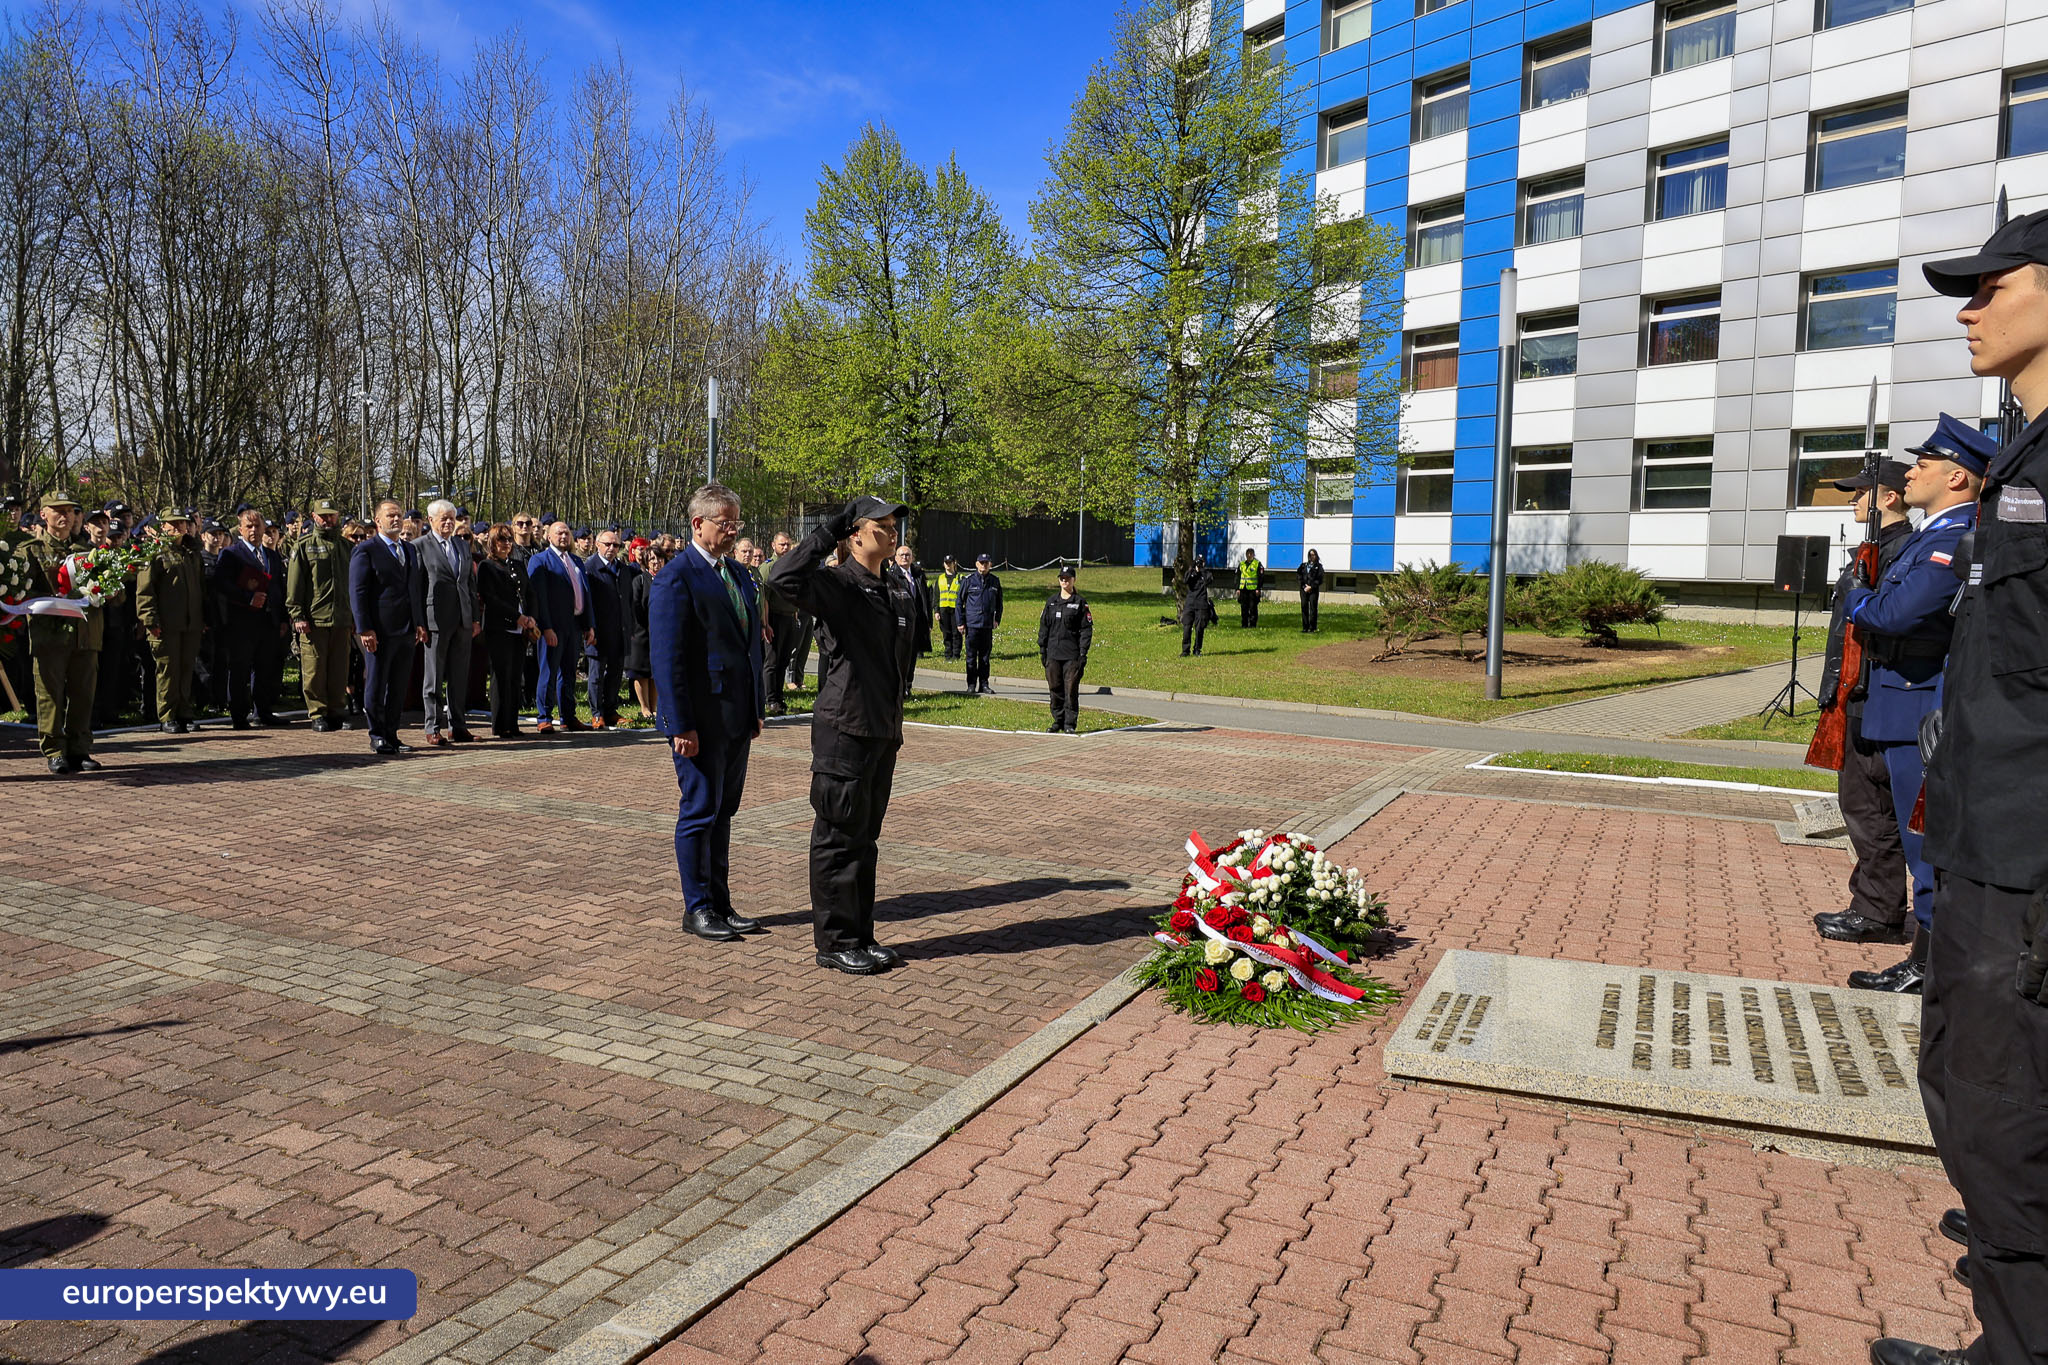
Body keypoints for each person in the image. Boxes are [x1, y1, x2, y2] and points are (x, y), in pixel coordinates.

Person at [1881, 212, 2048, 1365]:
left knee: (2002, 1117)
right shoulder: (2025, 456)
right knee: (1978, 1097)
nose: (1967, 306)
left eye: (1992, 284)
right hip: (1988, 845)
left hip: (2028, 864)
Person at [1833, 419, 1992, 997]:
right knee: (1913, 833)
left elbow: (1897, 614)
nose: (1912, 471)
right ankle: (1927, 957)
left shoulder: (1954, 535)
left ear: (1957, 477)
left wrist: (1857, 598)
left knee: (1925, 844)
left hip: (1918, 704)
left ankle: (1931, 964)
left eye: (1925, 464)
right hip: (1901, 703)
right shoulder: (1935, 533)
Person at [767, 495, 919, 975]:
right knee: (837, 837)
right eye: (882, 525)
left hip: (880, 731)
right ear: (855, 534)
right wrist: (828, 529)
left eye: (896, 525)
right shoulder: (837, 585)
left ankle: (860, 933)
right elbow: (779, 579)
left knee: (865, 840)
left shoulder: (893, 588)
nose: (892, 532)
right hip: (844, 732)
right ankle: (834, 941)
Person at [650, 484, 766, 944]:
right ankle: (696, 907)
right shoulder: (675, 577)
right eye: (725, 522)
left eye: (737, 522)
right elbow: (668, 659)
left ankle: (720, 901)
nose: (733, 529)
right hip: (699, 719)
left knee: (723, 812)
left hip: (736, 716)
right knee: (699, 811)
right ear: (698, 524)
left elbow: (750, 648)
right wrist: (680, 724)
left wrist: (756, 707)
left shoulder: (736, 574)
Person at [1810, 459, 1918, 952]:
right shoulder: (1868, 552)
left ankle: (1878, 911)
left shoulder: (1904, 552)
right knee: (1863, 805)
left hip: (1880, 696)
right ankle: (1876, 907)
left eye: (1861, 493)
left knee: (1874, 808)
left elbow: (1884, 619)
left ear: (1889, 497)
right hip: (1855, 693)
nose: (1853, 501)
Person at [22, 495, 110, 773]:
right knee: (50, 694)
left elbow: (110, 595)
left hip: (86, 633)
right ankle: (55, 750)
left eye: (70, 511)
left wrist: (109, 589)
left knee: (83, 693)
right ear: (43, 514)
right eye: (58, 511)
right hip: (51, 635)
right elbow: (21, 593)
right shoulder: (31, 550)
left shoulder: (88, 550)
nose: (66, 516)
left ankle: (79, 749)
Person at [347, 499, 428, 756]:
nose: (396, 519)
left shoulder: (410, 549)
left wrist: (419, 622)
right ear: (378, 520)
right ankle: (377, 734)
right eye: (390, 515)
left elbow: (414, 589)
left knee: (398, 685)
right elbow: (358, 592)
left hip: (406, 630)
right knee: (377, 683)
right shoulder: (366, 550)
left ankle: (392, 734)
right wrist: (364, 628)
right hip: (379, 630)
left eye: (399, 515)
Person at [214, 507, 291, 729]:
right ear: (240, 529)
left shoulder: (272, 555)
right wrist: (247, 597)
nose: (254, 530)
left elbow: (279, 588)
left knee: (265, 667)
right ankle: (239, 715)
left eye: (258, 526)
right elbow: (222, 584)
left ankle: (263, 711)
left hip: (268, 621)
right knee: (240, 669)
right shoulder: (231, 554)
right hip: (242, 622)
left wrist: (283, 618)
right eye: (249, 526)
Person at [284, 499, 356, 732]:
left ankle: (336, 710)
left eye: (331, 516)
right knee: (314, 669)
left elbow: (354, 585)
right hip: (314, 619)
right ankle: (317, 713)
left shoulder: (347, 547)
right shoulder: (303, 546)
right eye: (323, 516)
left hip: (341, 618)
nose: (328, 520)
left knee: (339, 669)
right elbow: (295, 585)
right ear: (314, 517)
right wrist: (297, 615)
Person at [135, 510, 207, 735]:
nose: (177, 527)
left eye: (181, 523)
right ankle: (167, 715)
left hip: (191, 623)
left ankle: (184, 713)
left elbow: (202, 589)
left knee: (186, 669)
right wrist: (150, 620)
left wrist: (203, 618)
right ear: (162, 526)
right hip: (165, 624)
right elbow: (145, 591)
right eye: (172, 523)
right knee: (167, 670)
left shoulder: (192, 552)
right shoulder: (155, 552)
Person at [416, 499, 479, 746]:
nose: (448, 522)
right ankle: (433, 727)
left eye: (452, 518)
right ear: (430, 520)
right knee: (433, 677)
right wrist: (420, 621)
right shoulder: (419, 546)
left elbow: (469, 585)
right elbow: (417, 586)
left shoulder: (462, 546)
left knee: (459, 676)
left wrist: (474, 618)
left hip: (462, 620)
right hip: (435, 620)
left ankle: (458, 726)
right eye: (443, 518)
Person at [526, 520, 594, 734]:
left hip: (573, 625)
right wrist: (546, 627)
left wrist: (588, 624)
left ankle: (568, 716)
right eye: (559, 533)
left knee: (569, 673)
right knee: (549, 671)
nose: (564, 537)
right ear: (549, 537)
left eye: (566, 533)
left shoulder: (575, 560)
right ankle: (544, 716)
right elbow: (539, 597)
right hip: (553, 626)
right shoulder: (540, 560)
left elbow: (585, 593)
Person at [476, 524, 535, 739]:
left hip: (520, 628)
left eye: (509, 540)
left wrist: (530, 616)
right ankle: (500, 724)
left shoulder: (517, 565)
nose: (507, 544)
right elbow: (490, 598)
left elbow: (529, 592)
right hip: (499, 626)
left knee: (514, 676)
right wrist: (515, 615)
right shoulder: (487, 566)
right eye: (502, 540)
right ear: (492, 543)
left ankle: (512, 722)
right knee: (501, 676)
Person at [582, 526, 628, 728]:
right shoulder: (589, 568)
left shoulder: (622, 569)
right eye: (607, 544)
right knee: (596, 674)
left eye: (615, 545)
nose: (611, 548)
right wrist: (588, 627)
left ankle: (610, 710)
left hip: (619, 630)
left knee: (616, 673)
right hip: (598, 630)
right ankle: (596, 712)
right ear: (597, 545)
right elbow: (585, 600)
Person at [1038, 565, 1093, 733]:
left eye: (1067, 578)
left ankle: (1069, 723)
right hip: (1053, 653)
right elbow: (1044, 626)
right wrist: (1042, 649)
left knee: (1070, 690)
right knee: (1055, 688)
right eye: (1062, 578)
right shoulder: (1051, 602)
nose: (1064, 581)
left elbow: (1086, 630)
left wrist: (1083, 653)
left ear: (1073, 580)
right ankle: (1058, 720)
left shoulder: (1079, 603)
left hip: (1072, 654)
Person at [762, 531, 802, 717]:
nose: (785, 548)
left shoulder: (792, 566)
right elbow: (765, 599)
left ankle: (779, 697)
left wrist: (794, 614)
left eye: (787, 544)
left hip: (789, 617)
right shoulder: (768, 568)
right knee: (772, 660)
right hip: (774, 617)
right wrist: (766, 623)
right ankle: (770, 699)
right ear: (773, 545)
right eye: (781, 545)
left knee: (784, 659)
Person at [625, 541, 666, 717]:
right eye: (652, 559)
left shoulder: (667, 580)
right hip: (642, 632)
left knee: (655, 672)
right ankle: (644, 707)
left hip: (662, 632)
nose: (656, 562)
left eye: (659, 559)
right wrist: (647, 624)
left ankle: (654, 706)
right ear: (646, 562)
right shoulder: (640, 580)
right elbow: (635, 605)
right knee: (641, 671)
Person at [959, 551, 1003, 694]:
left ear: (990, 565)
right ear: (977, 564)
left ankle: (984, 684)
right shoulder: (969, 580)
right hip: (972, 624)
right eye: (981, 563)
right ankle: (971, 684)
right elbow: (959, 602)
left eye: (986, 563)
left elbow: (999, 603)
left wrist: (997, 619)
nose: (984, 565)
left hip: (986, 624)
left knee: (985, 658)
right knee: (971, 657)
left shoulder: (995, 581)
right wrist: (960, 622)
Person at [893, 543, 928, 698]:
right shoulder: (892, 575)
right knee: (900, 657)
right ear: (895, 558)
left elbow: (924, 598)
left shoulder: (918, 575)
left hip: (917, 622)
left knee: (912, 657)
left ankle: (908, 686)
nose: (905, 557)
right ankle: (899, 688)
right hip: (900, 624)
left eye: (907, 555)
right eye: (901, 555)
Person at [1179, 557, 1214, 656]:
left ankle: (1197, 649)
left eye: (1201, 562)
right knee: (1187, 627)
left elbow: (1209, 580)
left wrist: (1201, 571)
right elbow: (1185, 580)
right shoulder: (1191, 573)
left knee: (1199, 628)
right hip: (1190, 604)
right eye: (1198, 562)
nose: (1199, 565)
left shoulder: (1206, 573)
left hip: (1201, 604)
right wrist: (1193, 570)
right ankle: (1185, 650)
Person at [935, 552, 964, 659]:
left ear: (954, 563)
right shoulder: (940, 578)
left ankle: (956, 654)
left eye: (950, 563)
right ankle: (948, 654)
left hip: (956, 610)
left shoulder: (960, 578)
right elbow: (936, 596)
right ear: (944, 564)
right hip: (943, 609)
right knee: (946, 633)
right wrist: (936, 611)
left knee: (956, 633)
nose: (948, 565)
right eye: (946, 563)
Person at [1297, 549, 1325, 632]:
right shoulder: (1303, 565)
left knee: (1313, 608)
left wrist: (1311, 586)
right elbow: (1299, 576)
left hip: (1313, 590)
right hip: (1304, 590)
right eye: (1310, 555)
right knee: (1304, 607)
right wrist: (1303, 586)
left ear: (1316, 556)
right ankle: (1305, 627)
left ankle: (1312, 627)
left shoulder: (1319, 566)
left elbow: (1320, 579)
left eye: (1313, 555)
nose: (1312, 557)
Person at [1237, 547, 1262, 627]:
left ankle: (1253, 624)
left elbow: (1261, 577)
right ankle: (1244, 624)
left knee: (1253, 608)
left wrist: (1258, 588)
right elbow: (1237, 577)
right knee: (1244, 607)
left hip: (1253, 589)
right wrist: (1237, 588)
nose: (1249, 555)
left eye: (1251, 554)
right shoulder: (1242, 564)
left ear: (1253, 555)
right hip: (1243, 589)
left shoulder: (1257, 564)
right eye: (1248, 554)